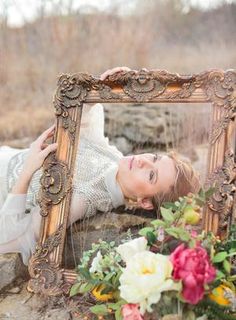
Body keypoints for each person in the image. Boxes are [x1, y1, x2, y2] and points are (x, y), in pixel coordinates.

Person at [0, 67, 200, 265]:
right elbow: (85, 121)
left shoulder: (85, 199)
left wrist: (27, 172)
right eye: (155, 158)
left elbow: (10, 240)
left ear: (145, 202)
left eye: (151, 175)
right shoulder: (114, 158)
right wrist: (102, 89)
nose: (143, 161)